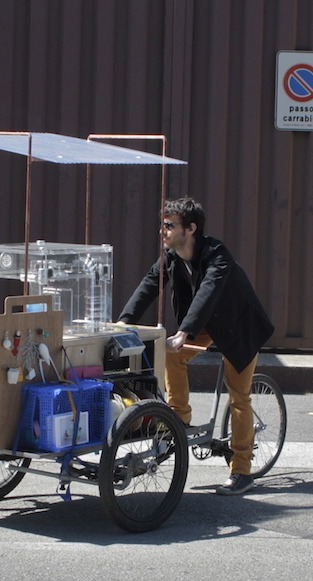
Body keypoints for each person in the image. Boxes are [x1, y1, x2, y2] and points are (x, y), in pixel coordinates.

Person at [117, 196, 275, 495]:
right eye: (162, 225)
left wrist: (185, 331)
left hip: (238, 326)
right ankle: (180, 416)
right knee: (169, 353)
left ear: (190, 229)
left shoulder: (217, 254)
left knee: (239, 396)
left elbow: (207, 292)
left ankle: (242, 469)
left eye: (169, 226)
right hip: (205, 323)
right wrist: (124, 322)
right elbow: (149, 284)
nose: (162, 231)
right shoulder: (172, 257)